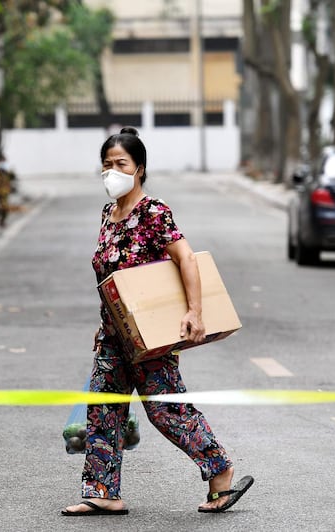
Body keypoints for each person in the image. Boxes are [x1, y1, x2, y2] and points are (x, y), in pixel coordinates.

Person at [62, 127, 253, 516]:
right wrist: (106, 324)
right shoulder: (108, 213)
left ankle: (221, 470)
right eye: (106, 165)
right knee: (104, 408)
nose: (111, 172)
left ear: (140, 169)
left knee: (165, 410)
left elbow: (186, 259)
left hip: (151, 335)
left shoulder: (153, 212)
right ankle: (102, 492)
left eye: (120, 164)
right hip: (115, 335)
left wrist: (194, 312)